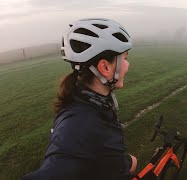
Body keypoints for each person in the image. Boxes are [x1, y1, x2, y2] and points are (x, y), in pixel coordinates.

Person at [22, 18, 137, 180]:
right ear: (105, 67)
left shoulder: (89, 101)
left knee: (133, 162)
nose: (128, 64)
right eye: (125, 58)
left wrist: (121, 162)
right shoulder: (78, 126)